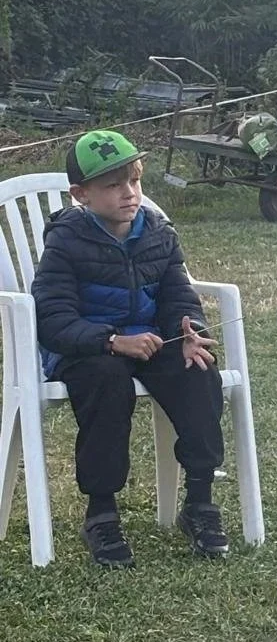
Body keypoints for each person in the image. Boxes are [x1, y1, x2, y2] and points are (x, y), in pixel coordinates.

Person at [31, 130, 228, 568]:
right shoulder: (66, 240)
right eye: (113, 185)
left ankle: (199, 502)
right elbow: (52, 316)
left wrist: (190, 330)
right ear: (81, 194)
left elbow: (180, 297)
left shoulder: (158, 234)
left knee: (196, 369)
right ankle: (101, 512)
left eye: (134, 181)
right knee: (106, 381)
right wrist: (110, 341)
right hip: (88, 350)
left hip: (149, 341)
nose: (129, 193)